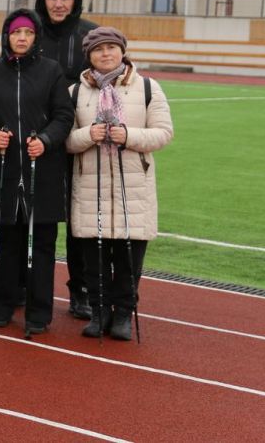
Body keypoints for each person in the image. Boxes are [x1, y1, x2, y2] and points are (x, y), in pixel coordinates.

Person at [66, 27, 173, 341]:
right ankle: (99, 313)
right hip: (91, 187)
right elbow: (66, 140)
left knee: (128, 259)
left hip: (133, 188)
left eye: (112, 47)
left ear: (122, 51)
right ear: (89, 56)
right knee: (95, 259)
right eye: (98, 49)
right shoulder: (76, 92)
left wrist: (128, 135)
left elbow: (164, 133)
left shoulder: (148, 88)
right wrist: (89, 135)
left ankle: (124, 314)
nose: (106, 54)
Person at [0, 9, 73, 335]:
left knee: (42, 245)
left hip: (42, 169)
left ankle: (39, 312)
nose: (22, 38)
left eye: (28, 33)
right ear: (7, 36)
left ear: (36, 38)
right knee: (7, 242)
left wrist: (46, 141)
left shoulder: (51, 71)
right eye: (16, 32)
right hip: (5, 168)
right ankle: (1, 307)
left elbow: (64, 115)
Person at [34, 0, 98, 320]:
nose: (58, 4)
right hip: (37, 141)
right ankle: (23, 284)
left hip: (79, 141)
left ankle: (81, 289)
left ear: (75, 0)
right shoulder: (29, 30)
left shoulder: (90, 34)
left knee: (79, 219)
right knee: (34, 215)